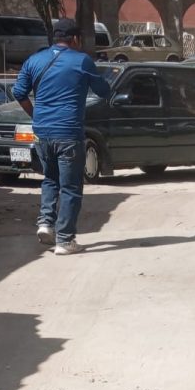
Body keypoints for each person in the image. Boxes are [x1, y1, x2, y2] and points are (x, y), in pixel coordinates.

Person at [13, 17, 114, 255]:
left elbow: (19, 92)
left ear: (55, 38)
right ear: (76, 39)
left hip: (42, 133)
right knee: (70, 187)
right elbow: (104, 91)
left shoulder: (34, 60)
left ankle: (46, 223)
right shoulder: (82, 61)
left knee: (50, 179)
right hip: (68, 132)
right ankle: (65, 240)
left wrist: (36, 115)